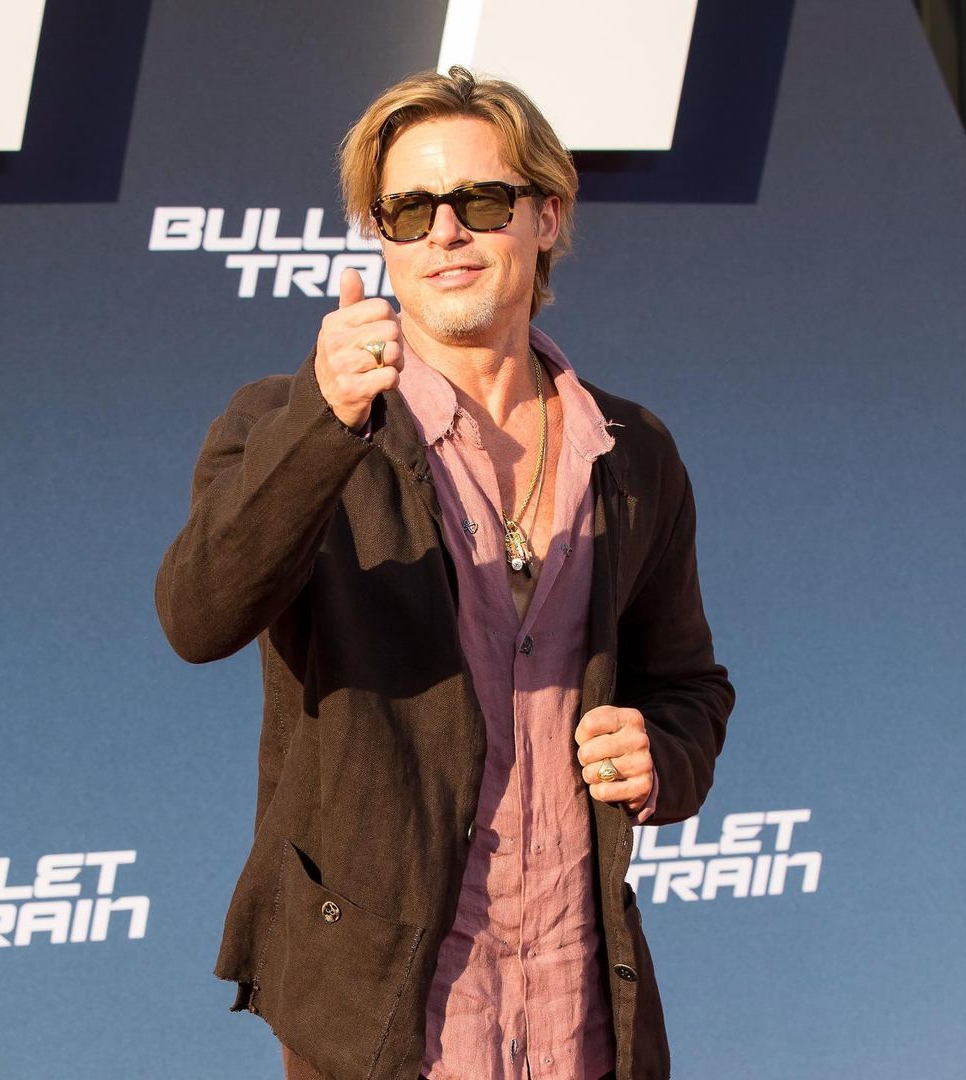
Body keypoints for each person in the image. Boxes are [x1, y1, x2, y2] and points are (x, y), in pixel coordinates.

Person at [156, 65, 734, 1080]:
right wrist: (326, 421)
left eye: (481, 201)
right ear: (379, 235)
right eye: (410, 210)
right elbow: (197, 615)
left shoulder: (631, 452)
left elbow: (689, 686)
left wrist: (660, 753)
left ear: (546, 217)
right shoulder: (290, 423)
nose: (446, 234)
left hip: (582, 1013)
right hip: (386, 1023)